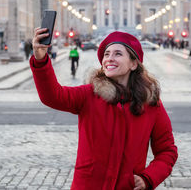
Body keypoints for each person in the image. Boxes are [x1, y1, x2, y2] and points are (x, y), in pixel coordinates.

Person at [30, 29, 178, 189]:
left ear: (134, 63)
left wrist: (148, 178)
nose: (109, 59)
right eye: (106, 54)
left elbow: (167, 151)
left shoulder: (151, 104)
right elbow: (52, 96)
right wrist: (40, 59)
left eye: (118, 54)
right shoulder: (89, 94)